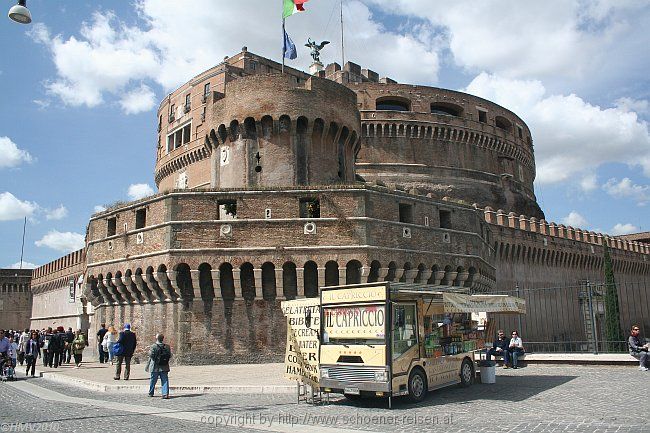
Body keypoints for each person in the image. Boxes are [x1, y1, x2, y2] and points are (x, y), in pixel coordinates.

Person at [147, 333, 172, 399]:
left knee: (153, 380)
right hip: (164, 366)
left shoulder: (153, 346)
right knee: (165, 380)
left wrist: (149, 353)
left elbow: (151, 355)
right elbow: (170, 355)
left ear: (156, 338)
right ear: (162, 339)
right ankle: (165, 393)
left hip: (155, 366)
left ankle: (151, 392)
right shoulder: (167, 346)